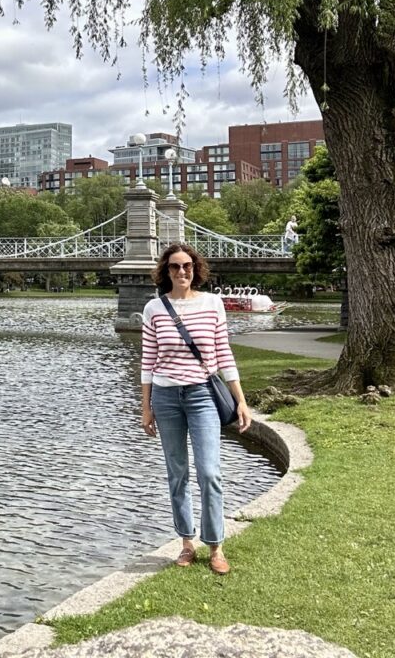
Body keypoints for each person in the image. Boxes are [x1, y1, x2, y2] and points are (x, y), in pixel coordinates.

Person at [141, 242, 252, 575]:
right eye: (174, 267)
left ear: (196, 268)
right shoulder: (154, 309)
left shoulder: (212, 304)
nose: (181, 272)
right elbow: (147, 361)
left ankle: (216, 546)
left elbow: (224, 354)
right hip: (165, 397)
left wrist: (241, 399)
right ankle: (187, 543)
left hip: (203, 395)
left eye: (187, 265)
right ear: (166, 272)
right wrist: (145, 407)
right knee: (177, 474)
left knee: (209, 472)